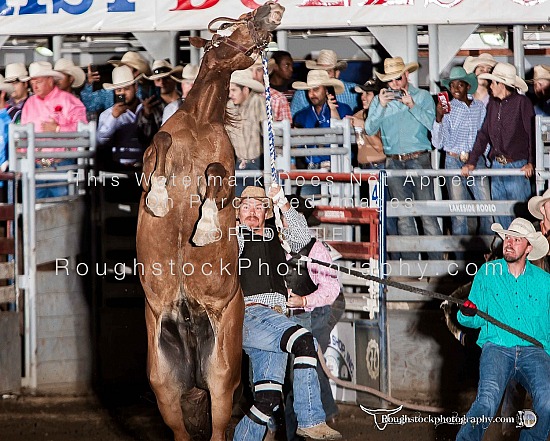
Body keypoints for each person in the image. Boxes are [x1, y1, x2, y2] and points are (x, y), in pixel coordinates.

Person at [233, 185, 341, 441]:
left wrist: (283, 203)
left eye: (259, 206)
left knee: (267, 399)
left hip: (274, 320)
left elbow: (303, 239)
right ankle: (310, 419)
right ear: (237, 212)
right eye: (246, 206)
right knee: (305, 341)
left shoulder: (277, 237)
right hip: (250, 315)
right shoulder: (233, 237)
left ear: (266, 213)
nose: (252, 212)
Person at [456, 217, 550, 441]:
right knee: (486, 401)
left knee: (548, 401)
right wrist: (467, 314)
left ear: (529, 248)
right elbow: (470, 319)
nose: (509, 242)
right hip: (497, 347)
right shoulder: (487, 273)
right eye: (507, 237)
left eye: (517, 239)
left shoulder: (545, 281)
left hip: (534, 350)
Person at [365, 56, 442, 260]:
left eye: (398, 78)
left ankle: (438, 267)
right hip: (394, 161)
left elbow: (433, 125)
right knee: (403, 215)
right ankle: (411, 267)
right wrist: (380, 106)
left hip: (419, 158)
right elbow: (369, 128)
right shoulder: (380, 100)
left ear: (406, 75)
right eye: (390, 80)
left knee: (427, 213)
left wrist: (413, 106)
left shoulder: (423, 96)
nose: (394, 84)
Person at [283, 194, 341, 441]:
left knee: (305, 369)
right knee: (305, 369)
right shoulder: (278, 244)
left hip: (317, 311)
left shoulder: (316, 248)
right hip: (295, 312)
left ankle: (319, 416)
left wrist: (305, 301)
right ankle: (325, 412)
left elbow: (331, 289)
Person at [461, 62, 534, 228]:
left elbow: (532, 134)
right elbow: (484, 134)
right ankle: (503, 250)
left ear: (501, 84)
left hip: (517, 165)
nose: (490, 86)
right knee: (501, 216)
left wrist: (531, 162)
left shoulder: (522, 103)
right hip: (497, 166)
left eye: (493, 82)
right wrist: (472, 161)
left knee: (519, 218)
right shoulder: (493, 104)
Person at [432, 66, 491, 238]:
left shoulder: (479, 107)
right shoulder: (447, 109)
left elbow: (484, 135)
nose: (455, 89)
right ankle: (460, 257)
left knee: (487, 206)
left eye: (460, 85)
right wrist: (439, 118)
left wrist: (486, 159)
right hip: (453, 159)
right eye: (452, 85)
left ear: (467, 86)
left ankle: (487, 251)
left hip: (475, 158)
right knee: (458, 213)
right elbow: (437, 143)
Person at [21, 61, 88, 198]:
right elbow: (23, 134)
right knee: (36, 207)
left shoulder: (69, 101)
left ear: (50, 80)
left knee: (62, 206)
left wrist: (58, 129)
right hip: (36, 165)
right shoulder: (29, 103)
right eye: (32, 82)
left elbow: (83, 129)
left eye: (38, 81)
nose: (34, 85)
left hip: (62, 164)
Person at [96, 65, 158, 170]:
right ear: (115, 92)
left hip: (146, 167)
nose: (123, 93)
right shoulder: (108, 114)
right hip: (118, 168)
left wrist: (147, 116)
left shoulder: (148, 108)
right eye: (119, 90)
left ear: (136, 88)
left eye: (127, 88)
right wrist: (113, 118)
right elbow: (101, 140)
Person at [292, 70, 353, 173]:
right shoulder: (301, 116)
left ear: (326, 90)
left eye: (316, 89)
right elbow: (295, 145)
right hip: (312, 168)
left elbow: (345, 136)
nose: (311, 94)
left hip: (339, 167)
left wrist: (333, 111)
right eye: (309, 90)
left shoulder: (343, 109)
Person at [225, 69, 266, 196]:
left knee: (257, 200)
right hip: (238, 163)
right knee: (238, 202)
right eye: (229, 91)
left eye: (234, 90)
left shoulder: (258, 102)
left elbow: (269, 134)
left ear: (246, 90)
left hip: (259, 163)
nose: (230, 94)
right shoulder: (229, 107)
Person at [81, 51, 151, 118]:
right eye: (123, 67)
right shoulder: (109, 93)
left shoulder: (147, 91)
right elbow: (90, 105)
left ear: (137, 72)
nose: (123, 70)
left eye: (127, 68)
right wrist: (89, 84)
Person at [291, 49, 358, 116]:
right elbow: (293, 121)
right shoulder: (301, 94)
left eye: (328, 72)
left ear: (337, 73)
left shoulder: (353, 91)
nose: (323, 75)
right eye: (320, 71)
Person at [349, 78, 385, 169]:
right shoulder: (359, 115)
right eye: (362, 93)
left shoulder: (385, 115)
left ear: (378, 96)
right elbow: (338, 129)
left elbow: (380, 148)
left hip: (379, 166)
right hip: (361, 167)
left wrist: (363, 126)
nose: (362, 97)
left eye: (368, 94)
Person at [249, 56, 291, 122]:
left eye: (259, 70)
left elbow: (285, 129)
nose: (254, 75)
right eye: (250, 70)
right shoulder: (238, 95)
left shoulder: (278, 98)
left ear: (264, 72)